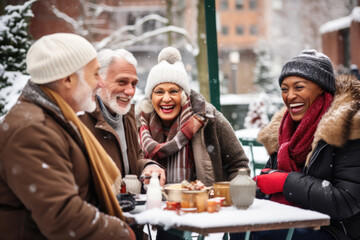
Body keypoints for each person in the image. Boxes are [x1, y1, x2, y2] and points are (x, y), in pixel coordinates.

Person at [0, 33, 135, 239]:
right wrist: (122, 234)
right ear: (68, 79)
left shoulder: (55, 119)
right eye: (95, 74)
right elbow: (62, 216)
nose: (100, 83)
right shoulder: (33, 130)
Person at [233, 49, 360, 240]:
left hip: (335, 230)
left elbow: (346, 201)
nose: (290, 96)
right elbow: (269, 182)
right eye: (285, 89)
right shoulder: (284, 131)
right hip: (292, 219)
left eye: (299, 87)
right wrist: (251, 188)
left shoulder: (348, 128)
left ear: (321, 89)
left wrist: (285, 182)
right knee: (239, 229)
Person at [137, 46, 249, 239]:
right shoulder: (138, 123)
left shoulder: (208, 117)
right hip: (156, 212)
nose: (166, 98)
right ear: (150, 96)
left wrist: (226, 207)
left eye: (174, 90)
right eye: (159, 91)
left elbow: (239, 164)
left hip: (203, 217)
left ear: (184, 94)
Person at [79, 49, 166, 186]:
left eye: (133, 84)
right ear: (99, 81)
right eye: (122, 82)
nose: (130, 91)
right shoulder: (81, 119)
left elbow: (135, 158)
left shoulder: (127, 115)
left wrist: (147, 166)